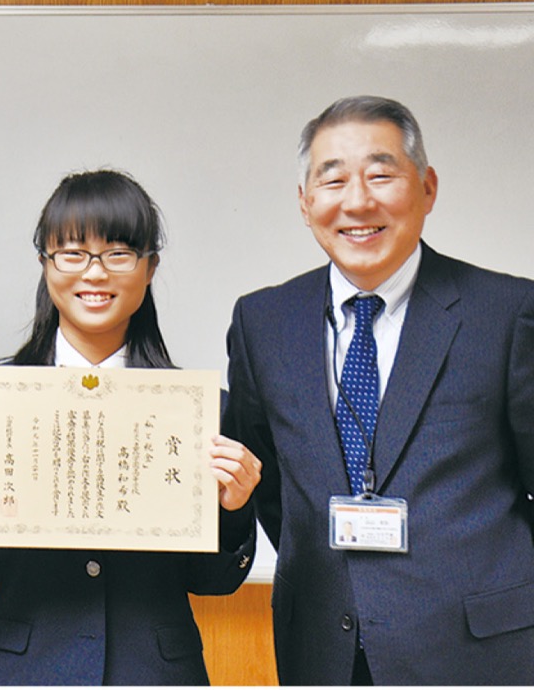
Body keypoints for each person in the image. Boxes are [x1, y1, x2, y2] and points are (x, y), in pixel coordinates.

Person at [225, 95, 534, 684]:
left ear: (427, 187)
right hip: (323, 648)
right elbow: (268, 484)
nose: (357, 200)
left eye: (381, 174)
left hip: (477, 652)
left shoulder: (507, 313)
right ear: (304, 201)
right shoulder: (263, 321)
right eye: (333, 179)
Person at [0, 169, 261, 685]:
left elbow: (212, 582)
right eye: (73, 253)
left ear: (150, 268)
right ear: (45, 264)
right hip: (24, 671)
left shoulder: (199, 411)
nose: (95, 274)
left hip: (153, 673)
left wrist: (234, 512)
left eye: (119, 254)